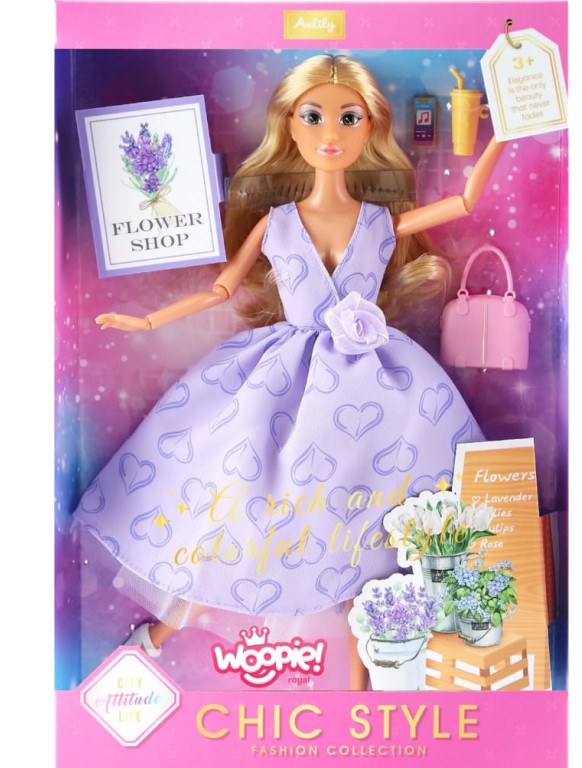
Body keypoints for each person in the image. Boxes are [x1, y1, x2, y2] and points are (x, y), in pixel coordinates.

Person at [74, 54, 505, 687]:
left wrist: (504, 133)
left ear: (370, 127)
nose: (330, 132)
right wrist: (147, 322)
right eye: (313, 116)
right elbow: (222, 289)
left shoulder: (379, 222)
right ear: (290, 126)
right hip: (278, 385)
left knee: (372, 531)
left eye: (348, 117)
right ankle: (157, 637)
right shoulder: (276, 223)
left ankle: (365, 692)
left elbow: (464, 201)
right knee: (235, 507)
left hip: (378, 389)